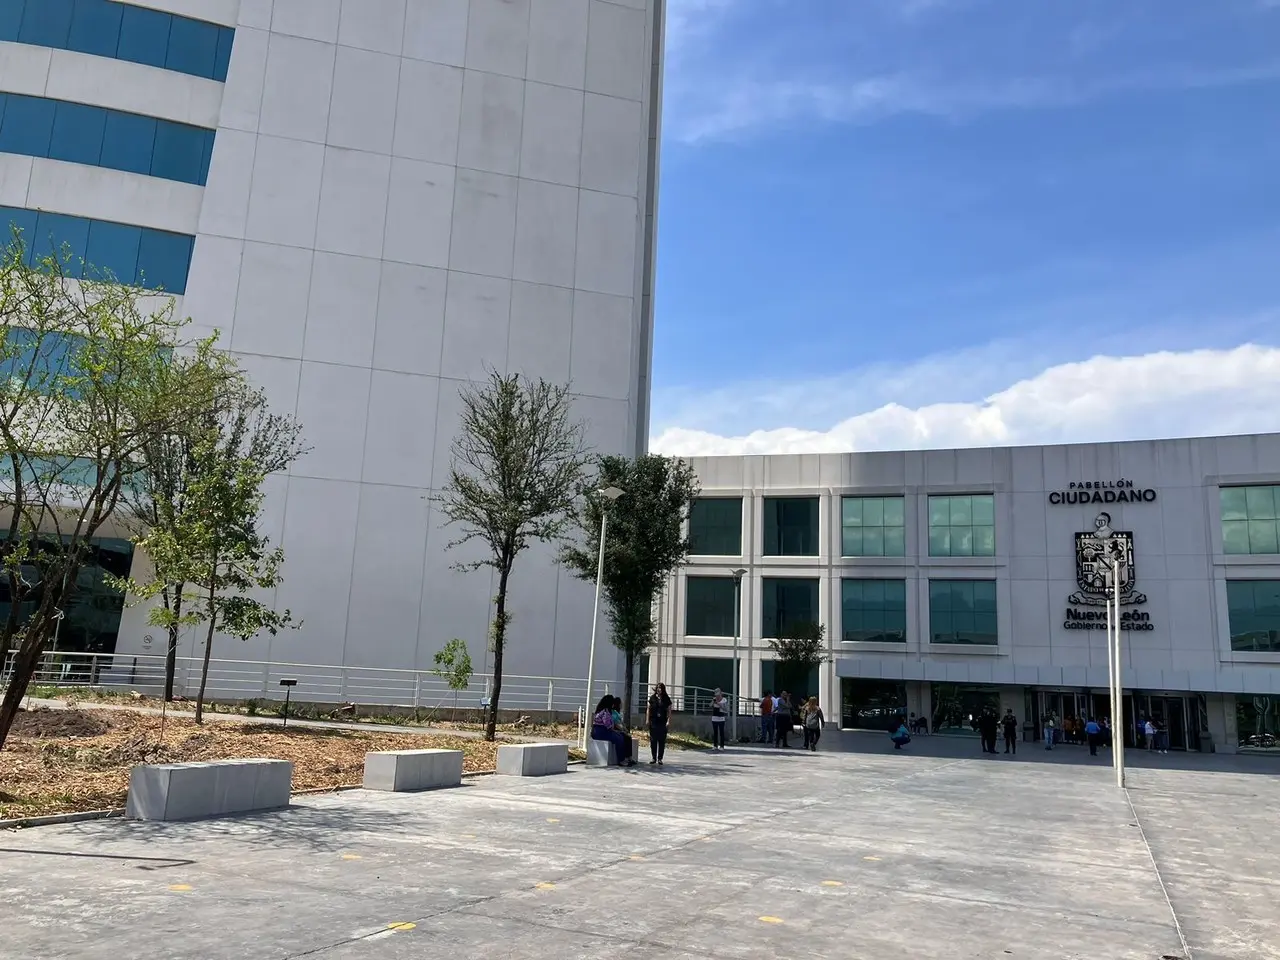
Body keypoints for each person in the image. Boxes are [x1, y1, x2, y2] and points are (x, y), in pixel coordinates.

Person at [591, 695, 634, 766]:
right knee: (619, 738)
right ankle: (621, 760)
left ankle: (626, 758)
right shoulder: (605, 712)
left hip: (599, 731)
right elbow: (609, 726)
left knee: (621, 736)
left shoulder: (601, 710)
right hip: (601, 732)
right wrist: (617, 731)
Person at [646, 683, 672, 766]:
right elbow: (648, 709)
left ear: (663, 689)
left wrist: (668, 721)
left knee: (661, 741)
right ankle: (654, 758)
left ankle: (660, 758)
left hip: (662, 722)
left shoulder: (666, 699)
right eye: (657, 688)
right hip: (653, 721)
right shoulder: (652, 698)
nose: (658, 689)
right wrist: (647, 719)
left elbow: (669, 711)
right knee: (653, 740)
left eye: (660, 688)